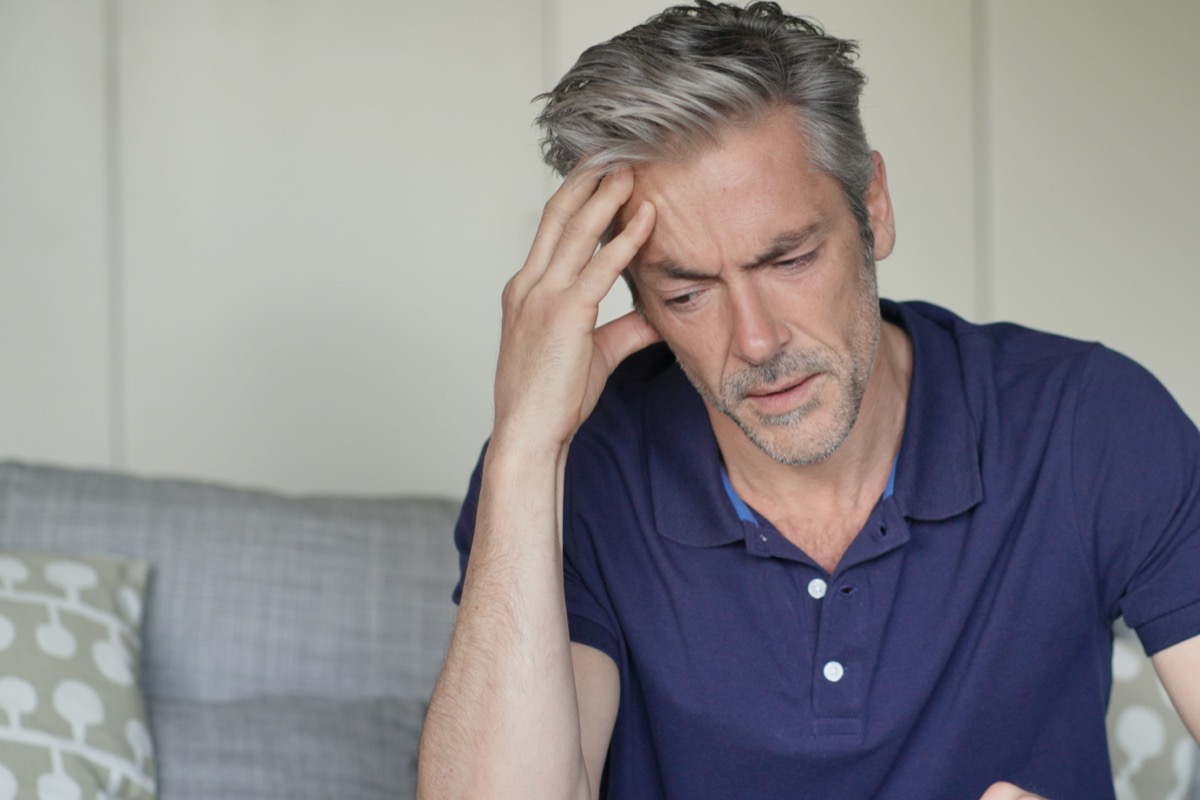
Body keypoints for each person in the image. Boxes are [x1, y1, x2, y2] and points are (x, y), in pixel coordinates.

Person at [416, 2, 1200, 798]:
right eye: (688, 293)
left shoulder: (1090, 423)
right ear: (634, 301)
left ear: (875, 207)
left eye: (788, 259)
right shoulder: (579, 466)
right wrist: (525, 445)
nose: (754, 342)